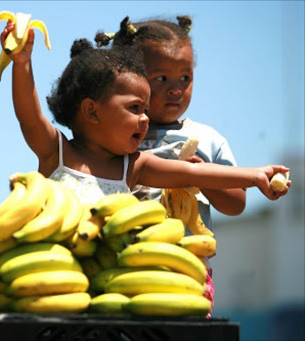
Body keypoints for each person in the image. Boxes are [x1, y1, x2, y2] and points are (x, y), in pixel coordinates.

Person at [2, 20, 289, 206]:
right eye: (135, 108)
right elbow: (29, 114)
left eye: (146, 109)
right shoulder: (57, 153)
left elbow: (192, 171)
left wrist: (254, 175)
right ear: (92, 110)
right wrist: (22, 62)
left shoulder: (134, 166)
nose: (145, 118)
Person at [94, 15, 253, 316]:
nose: (176, 89)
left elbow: (236, 203)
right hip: (123, 265)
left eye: (185, 77)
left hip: (186, 268)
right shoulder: (115, 137)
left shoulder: (207, 139)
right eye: (161, 78)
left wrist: (204, 177)